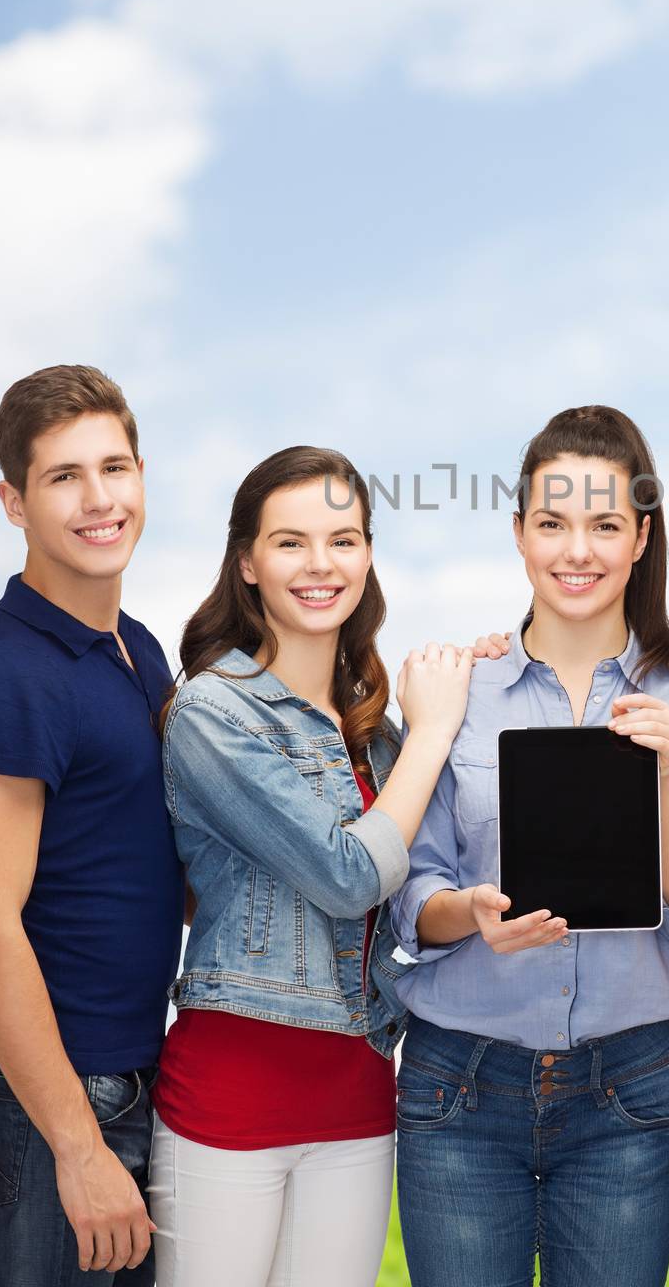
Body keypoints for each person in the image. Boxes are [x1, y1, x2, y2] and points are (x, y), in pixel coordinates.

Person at [388, 405, 669, 1287]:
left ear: (640, 537)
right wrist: (469, 914)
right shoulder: (459, 690)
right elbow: (408, 893)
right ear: (518, 533)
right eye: (552, 523)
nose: (576, 550)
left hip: (627, 1092)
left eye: (604, 525)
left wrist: (660, 775)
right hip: (457, 1086)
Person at [147, 447, 474, 1287]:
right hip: (231, 1094)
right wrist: (435, 730)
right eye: (290, 542)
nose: (321, 564)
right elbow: (348, 876)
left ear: (367, 554)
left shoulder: (376, 730)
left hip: (360, 1095)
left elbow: (415, 886)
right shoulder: (212, 710)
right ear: (247, 563)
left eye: (344, 539)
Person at [0, 364, 183, 1284]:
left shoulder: (136, 646)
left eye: (113, 469)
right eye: (63, 477)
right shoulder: (7, 679)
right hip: (53, 1098)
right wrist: (79, 1148)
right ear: (14, 501)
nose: (98, 499)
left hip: (129, 1073)